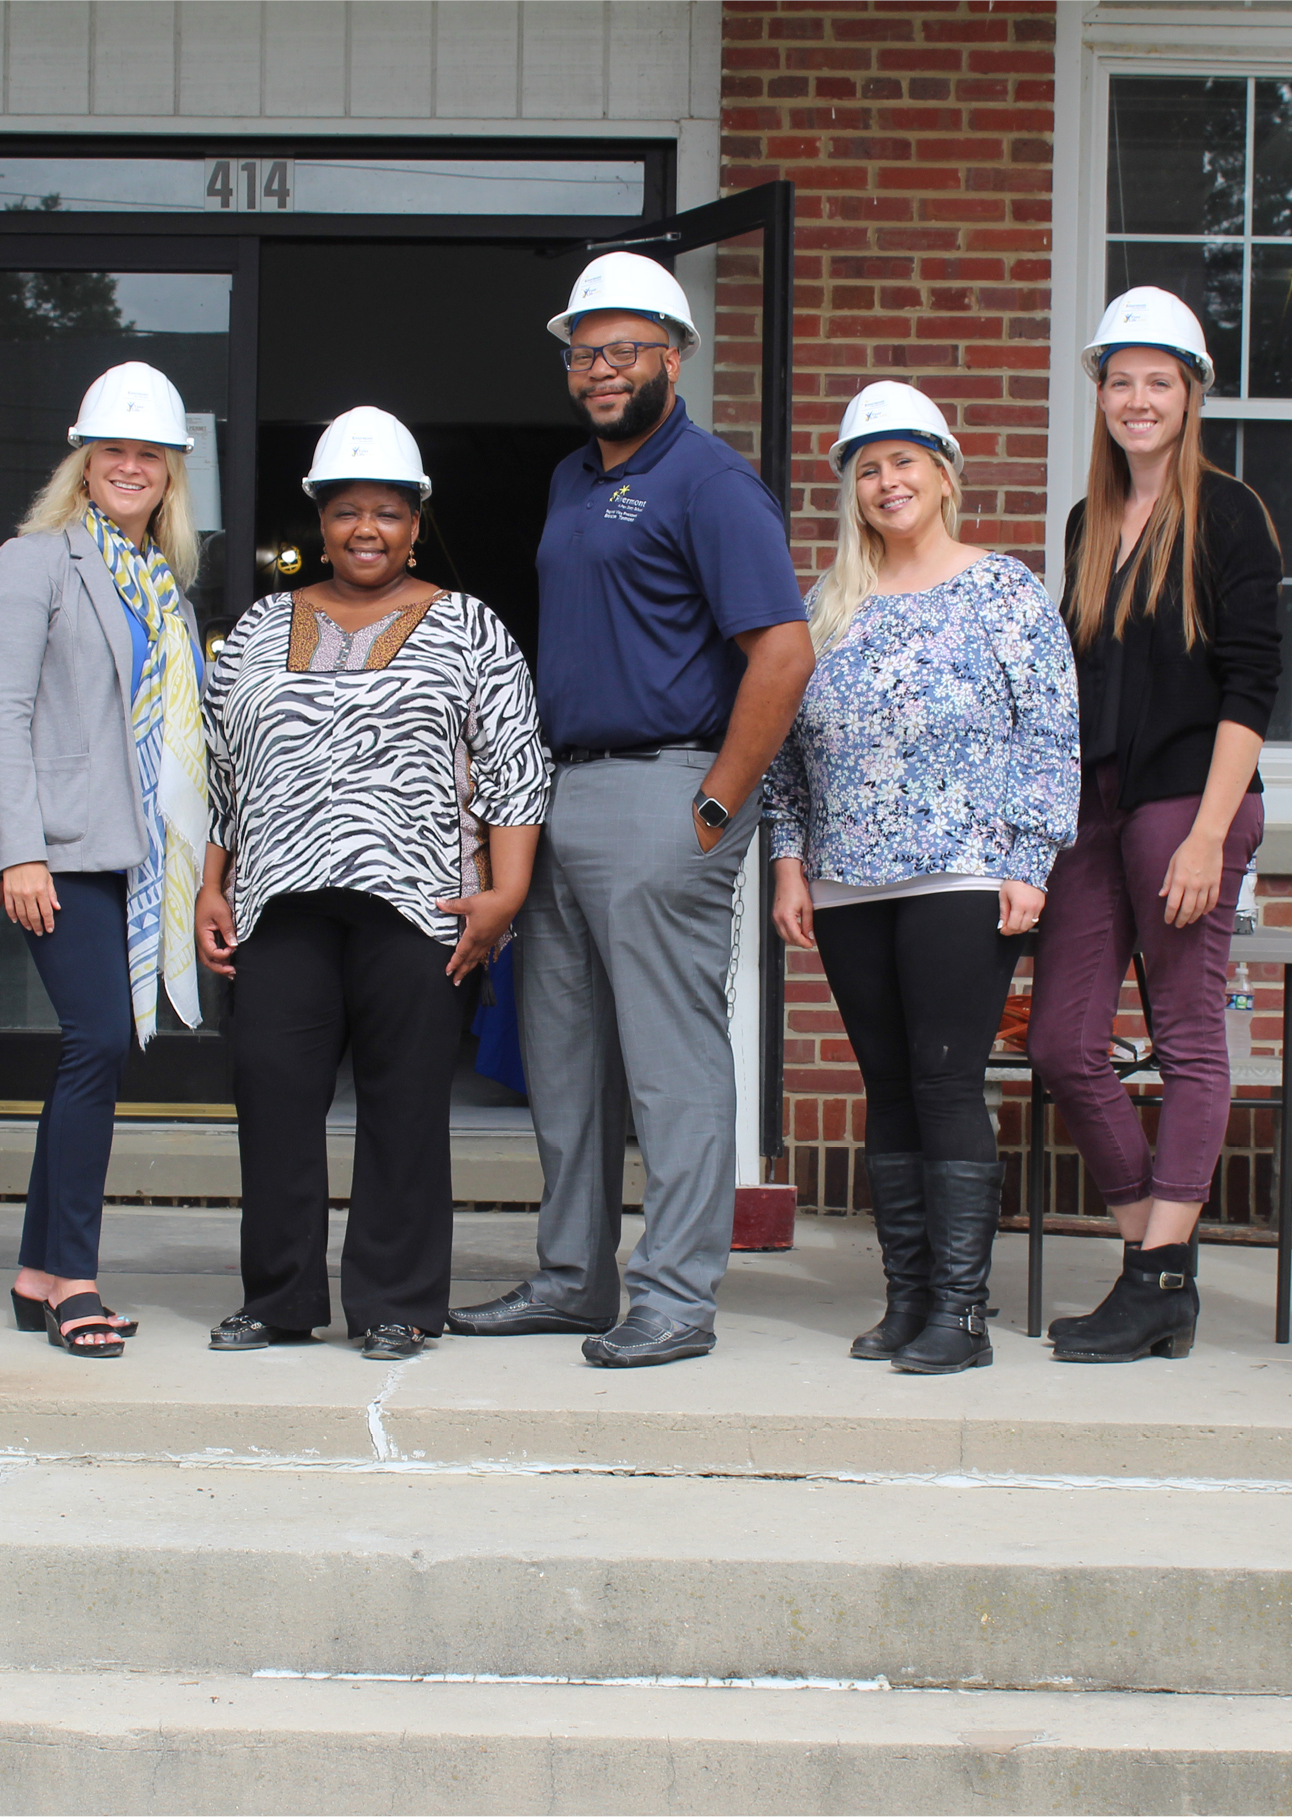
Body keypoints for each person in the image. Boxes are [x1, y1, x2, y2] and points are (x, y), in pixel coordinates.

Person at [447, 252, 813, 1368]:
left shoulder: (708, 480)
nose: (599, 369)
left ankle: (675, 1293)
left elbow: (784, 651)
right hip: (560, 788)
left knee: (670, 1059)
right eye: (582, 351)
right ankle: (573, 1275)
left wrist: (716, 803)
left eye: (622, 348)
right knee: (561, 1055)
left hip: (665, 784)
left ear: (675, 355)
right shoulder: (570, 479)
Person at [196, 409, 552, 1363]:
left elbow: (516, 766)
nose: (367, 530)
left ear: (414, 521)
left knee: (403, 1103)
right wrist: (211, 887)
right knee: (271, 1093)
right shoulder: (261, 629)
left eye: (387, 513)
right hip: (279, 904)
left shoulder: (472, 626)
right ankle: (276, 1299)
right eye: (348, 510)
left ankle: (396, 1301)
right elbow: (224, 773)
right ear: (319, 517)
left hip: (421, 906)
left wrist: (505, 894)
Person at [765, 382, 1076, 1374]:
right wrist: (786, 859)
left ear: (943, 472)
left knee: (944, 1082)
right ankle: (906, 1300)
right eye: (868, 467)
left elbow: (1050, 733)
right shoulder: (827, 604)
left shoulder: (1003, 588)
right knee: (886, 1086)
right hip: (849, 879)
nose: (887, 480)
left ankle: (961, 1312)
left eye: (903, 461)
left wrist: (1030, 862)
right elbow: (782, 748)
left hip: (962, 872)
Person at [1027, 288, 1283, 1365]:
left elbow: (1251, 683)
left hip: (1187, 802)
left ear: (1191, 394)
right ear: (1100, 392)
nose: (1138, 400)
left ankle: (1155, 1277)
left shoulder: (1229, 514)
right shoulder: (1089, 524)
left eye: (1158, 382)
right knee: (1061, 1041)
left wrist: (1207, 833)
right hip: (1095, 806)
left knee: (1185, 1038)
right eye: (1120, 380)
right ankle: (1155, 1267)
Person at [0, 362, 213, 1360]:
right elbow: (4, 712)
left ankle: (37, 1270)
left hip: (137, 855)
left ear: (168, 475)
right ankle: (73, 1276)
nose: (129, 467)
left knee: (96, 1050)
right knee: (98, 1043)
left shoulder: (168, 589)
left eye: (147, 455)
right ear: (84, 461)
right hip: (61, 850)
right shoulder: (35, 563)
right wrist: (18, 849)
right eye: (112, 450)